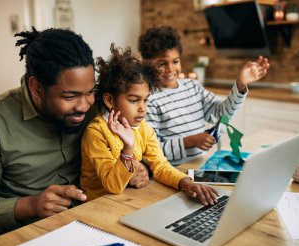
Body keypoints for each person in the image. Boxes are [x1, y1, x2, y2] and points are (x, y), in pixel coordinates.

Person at [0, 27, 148, 237]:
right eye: (70, 96)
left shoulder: (98, 105)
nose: (84, 105)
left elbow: (130, 142)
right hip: (25, 233)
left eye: (90, 92)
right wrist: (30, 205)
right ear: (36, 88)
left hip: (95, 218)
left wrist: (139, 167)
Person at [80, 44, 218, 205]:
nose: (143, 108)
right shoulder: (96, 132)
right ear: (110, 101)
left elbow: (160, 166)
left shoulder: (144, 128)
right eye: (134, 100)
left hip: (129, 198)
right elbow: (113, 186)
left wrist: (186, 183)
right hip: (97, 205)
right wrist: (128, 149)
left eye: (146, 99)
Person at [138, 26, 270, 166]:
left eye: (175, 61)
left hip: (199, 165)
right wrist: (190, 142)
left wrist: (241, 84)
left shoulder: (193, 87)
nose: (170, 69)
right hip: (172, 172)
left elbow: (221, 113)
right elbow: (150, 152)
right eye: (161, 64)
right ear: (146, 64)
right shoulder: (148, 99)